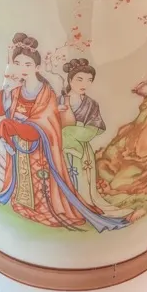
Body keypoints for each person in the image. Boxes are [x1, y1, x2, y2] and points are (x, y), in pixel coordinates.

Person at [0, 33, 127, 232]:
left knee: (42, 183)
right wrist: (5, 91)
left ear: (37, 67)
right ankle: (24, 206)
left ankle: (45, 210)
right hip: (20, 145)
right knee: (24, 182)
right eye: (18, 63)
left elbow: (45, 122)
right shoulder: (15, 91)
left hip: (40, 147)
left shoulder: (46, 93)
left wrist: (17, 126)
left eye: (28, 64)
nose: (22, 68)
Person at [59, 58, 106, 209]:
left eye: (89, 80)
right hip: (58, 147)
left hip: (82, 148)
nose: (84, 84)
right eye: (79, 79)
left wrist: (71, 132)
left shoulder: (91, 104)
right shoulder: (58, 101)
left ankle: (83, 205)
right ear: (70, 80)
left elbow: (94, 127)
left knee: (81, 179)